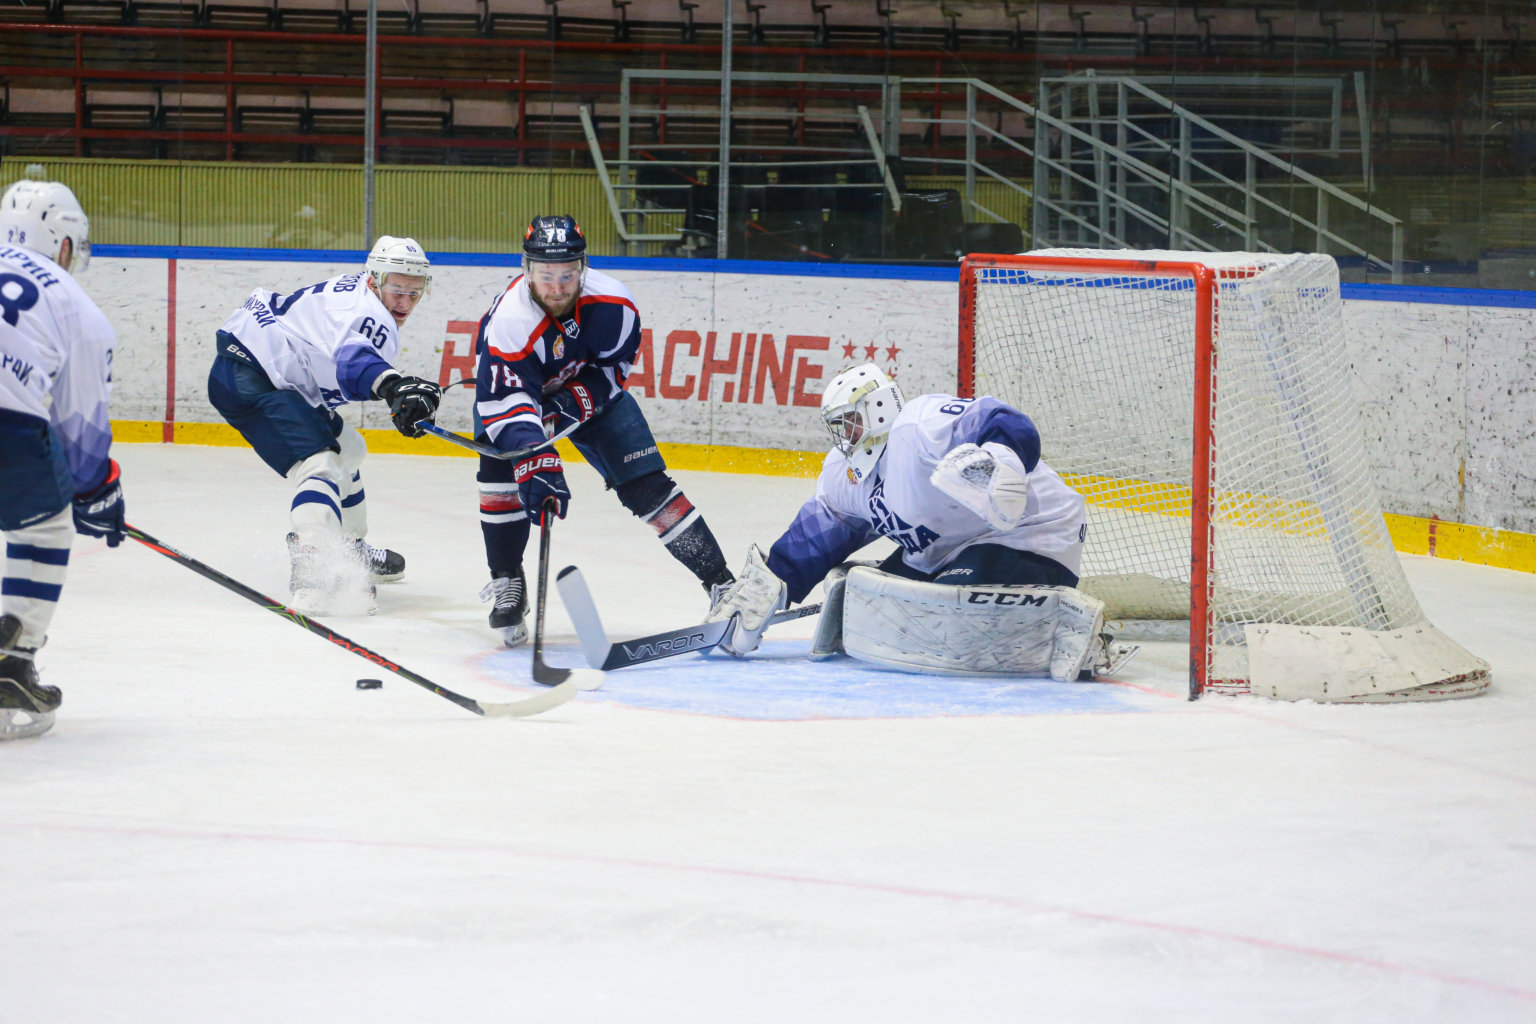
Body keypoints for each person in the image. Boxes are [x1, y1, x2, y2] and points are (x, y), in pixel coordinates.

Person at [706, 363, 1111, 678]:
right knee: (881, 602)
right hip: (947, 552)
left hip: (1032, 533)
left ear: (878, 407)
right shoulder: (844, 473)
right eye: (838, 427)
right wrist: (772, 585)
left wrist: (1001, 464)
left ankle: (1067, 631)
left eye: (850, 421)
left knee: (951, 620)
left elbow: (1003, 420)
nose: (844, 437)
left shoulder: (918, 429)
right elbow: (821, 532)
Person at [472, 215, 733, 646]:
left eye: (568, 275)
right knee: (502, 476)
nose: (557, 287)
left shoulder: (615, 304)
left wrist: (574, 403)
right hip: (514, 398)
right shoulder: (509, 323)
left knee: (648, 486)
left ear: (583, 267)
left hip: (585, 395)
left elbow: (614, 369)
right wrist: (536, 458)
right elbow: (507, 404)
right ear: (526, 269)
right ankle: (507, 581)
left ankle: (722, 584)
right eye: (546, 275)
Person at [207, 235, 442, 615]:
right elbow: (354, 360)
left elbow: (347, 352)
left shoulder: (360, 288)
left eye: (415, 294)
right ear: (375, 280)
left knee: (350, 450)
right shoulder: (370, 314)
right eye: (397, 290)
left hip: (267, 370)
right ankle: (313, 563)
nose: (405, 302)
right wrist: (393, 386)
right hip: (255, 376)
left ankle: (349, 549)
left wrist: (391, 387)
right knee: (321, 464)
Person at [0, 178, 125, 739]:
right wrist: (98, 490)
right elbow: (81, 435)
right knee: (47, 527)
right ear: (64, 244)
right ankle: (13, 662)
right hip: (9, 424)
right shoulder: (75, 303)